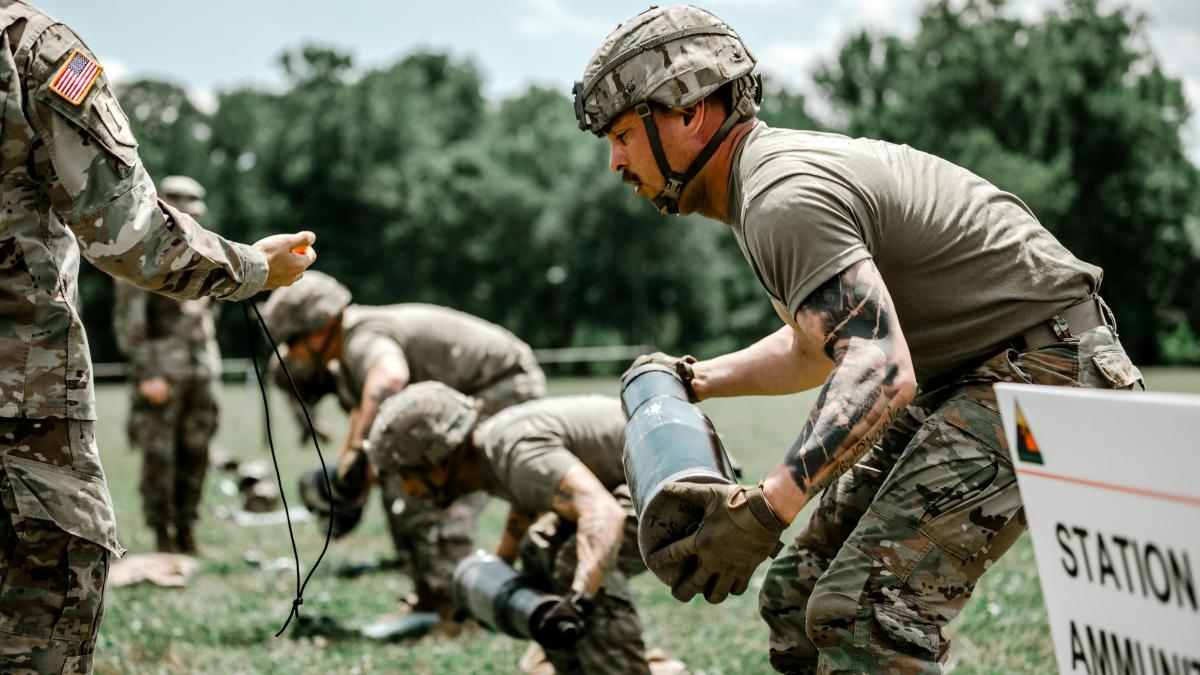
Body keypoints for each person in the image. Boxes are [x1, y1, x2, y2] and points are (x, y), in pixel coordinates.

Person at [573, 5, 1143, 673]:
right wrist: (694, 378)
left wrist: (764, 508)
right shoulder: (764, 184)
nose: (615, 161)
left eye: (621, 133)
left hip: (1046, 368)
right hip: (985, 371)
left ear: (689, 112)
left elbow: (878, 367)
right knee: (797, 595)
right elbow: (818, 347)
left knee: (865, 612)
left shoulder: (779, 196)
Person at [0, 1, 316, 670]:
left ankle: (184, 537)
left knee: (192, 455)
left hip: (187, 368)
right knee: (37, 617)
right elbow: (129, 232)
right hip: (17, 403)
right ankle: (170, 533)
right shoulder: (29, 43)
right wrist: (256, 267)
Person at [260, 271, 546, 618]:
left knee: (442, 486)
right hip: (476, 391)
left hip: (502, 386)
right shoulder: (348, 349)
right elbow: (364, 419)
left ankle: (453, 609)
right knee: (401, 482)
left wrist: (356, 453)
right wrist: (356, 472)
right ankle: (430, 596)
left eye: (293, 342)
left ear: (317, 329)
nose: (292, 353)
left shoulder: (362, 336)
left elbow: (389, 379)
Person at [365, 383, 663, 675]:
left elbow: (602, 513)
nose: (408, 490)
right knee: (538, 547)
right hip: (645, 477)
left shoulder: (514, 453)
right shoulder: (493, 451)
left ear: (440, 459)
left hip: (678, 481)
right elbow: (529, 501)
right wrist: (495, 573)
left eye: (407, 475)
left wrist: (579, 600)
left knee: (575, 562)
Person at [113, 176, 221, 554]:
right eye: (186, 213)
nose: (192, 220)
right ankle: (162, 534)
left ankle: (187, 530)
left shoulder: (203, 252)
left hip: (201, 370)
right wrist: (147, 374)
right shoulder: (139, 252)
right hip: (162, 373)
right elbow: (130, 322)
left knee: (197, 451)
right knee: (160, 455)